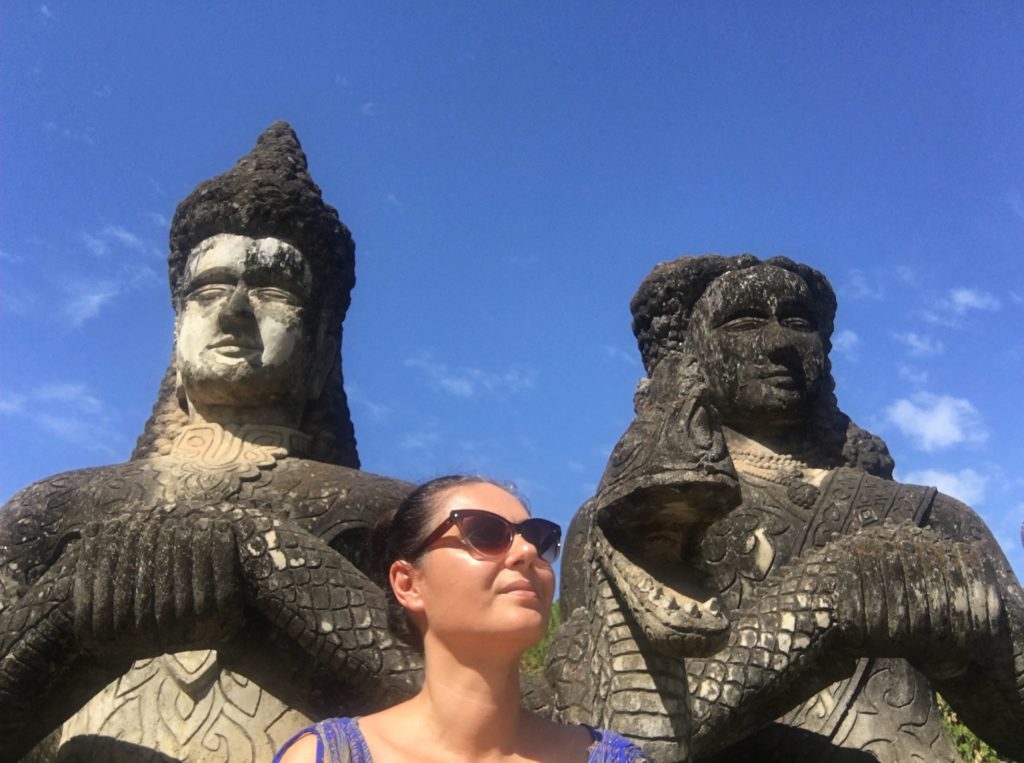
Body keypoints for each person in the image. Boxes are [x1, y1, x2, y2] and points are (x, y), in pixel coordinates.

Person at [275, 475, 651, 763]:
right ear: (408, 584)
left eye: (537, 536)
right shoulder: (328, 756)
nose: (526, 551)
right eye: (485, 533)